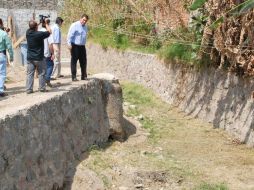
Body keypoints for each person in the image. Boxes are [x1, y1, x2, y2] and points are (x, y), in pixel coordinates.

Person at [26, 19, 51, 94]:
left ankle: (29, 89)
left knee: (30, 74)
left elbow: (32, 26)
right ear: (36, 27)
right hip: (39, 57)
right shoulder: (39, 34)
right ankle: (42, 88)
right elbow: (50, 31)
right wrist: (46, 23)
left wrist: (39, 22)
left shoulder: (28, 32)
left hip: (30, 58)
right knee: (42, 73)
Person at [67, 14, 89, 81]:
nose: (84, 21)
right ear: (81, 18)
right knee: (74, 61)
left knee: (84, 61)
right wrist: (69, 44)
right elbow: (69, 35)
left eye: (86, 21)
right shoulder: (74, 25)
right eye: (83, 20)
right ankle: (74, 77)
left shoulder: (85, 27)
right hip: (75, 46)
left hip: (82, 46)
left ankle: (83, 76)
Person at [0, 19, 13, 97]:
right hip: (1, 55)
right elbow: (9, 46)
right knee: (2, 74)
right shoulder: (3, 34)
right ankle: (0, 91)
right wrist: (11, 57)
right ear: (1, 24)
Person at [39, 20, 54, 88]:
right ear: (47, 24)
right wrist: (52, 53)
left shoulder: (38, 31)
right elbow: (50, 45)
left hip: (39, 53)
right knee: (50, 65)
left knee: (42, 69)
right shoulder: (48, 33)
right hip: (46, 53)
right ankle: (47, 79)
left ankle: (42, 84)